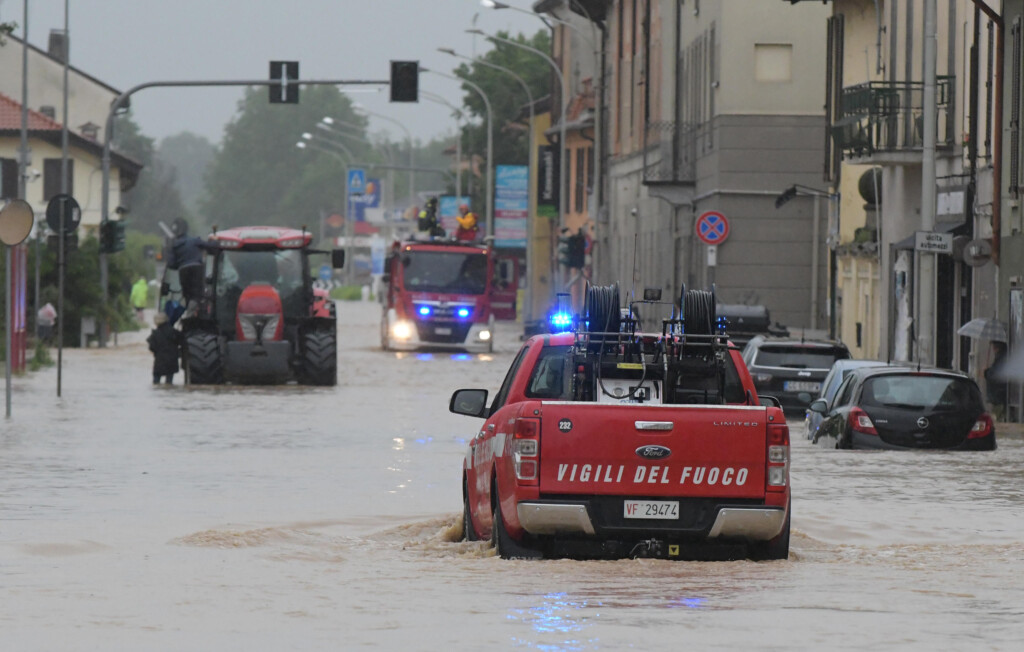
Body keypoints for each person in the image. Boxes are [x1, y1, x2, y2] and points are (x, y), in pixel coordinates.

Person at [164, 218, 205, 310]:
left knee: (187, 295)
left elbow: (171, 264)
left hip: (183, 270)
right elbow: (210, 245)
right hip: (197, 269)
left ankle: (187, 310)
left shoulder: (174, 246)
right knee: (198, 295)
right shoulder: (195, 240)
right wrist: (216, 242)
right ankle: (192, 311)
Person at [147, 312, 181, 385]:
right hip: (172, 361)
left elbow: (151, 347)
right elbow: (182, 342)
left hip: (160, 361)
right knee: (169, 383)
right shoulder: (174, 332)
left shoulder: (155, 333)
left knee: (156, 382)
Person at [985, 341, 1008, 416]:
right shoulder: (1000, 358)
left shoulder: (1001, 359)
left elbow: (994, 376)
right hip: (998, 397)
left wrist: (986, 372)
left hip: (999, 397)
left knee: (998, 417)